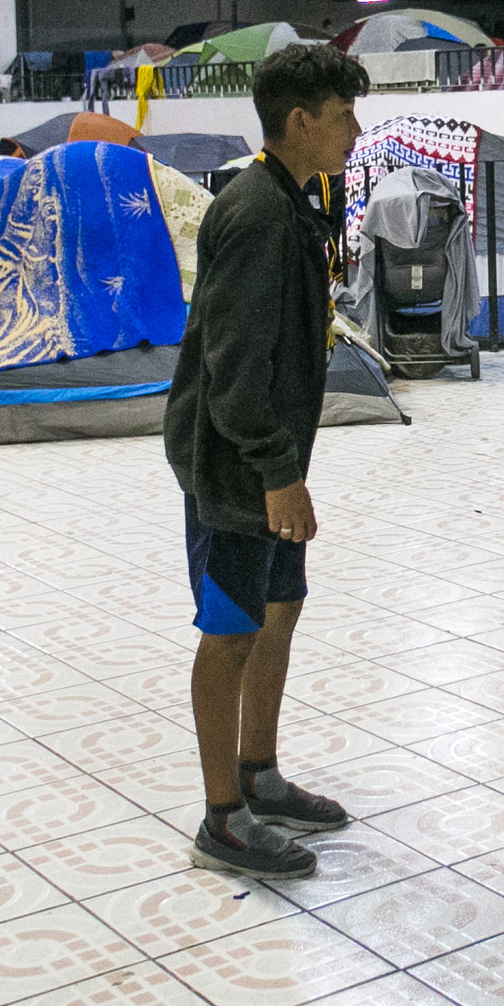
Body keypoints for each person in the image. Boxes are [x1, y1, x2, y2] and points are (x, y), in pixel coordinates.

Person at [167, 43, 371, 877]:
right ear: (299, 122)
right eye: (342, 116)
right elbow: (233, 364)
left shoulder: (294, 201)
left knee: (279, 611)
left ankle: (261, 774)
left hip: (274, 455)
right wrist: (275, 470)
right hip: (234, 465)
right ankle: (222, 818)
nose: (355, 132)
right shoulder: (255, 211)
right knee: (230, 631)